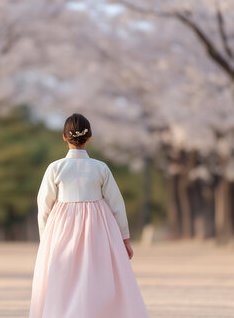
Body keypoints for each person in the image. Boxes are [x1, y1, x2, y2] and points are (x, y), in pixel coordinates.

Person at [29, 113, 149, 318]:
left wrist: (45, 238)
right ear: (89, 137)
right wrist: (124, 238)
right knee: (96, 274)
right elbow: (116, 204)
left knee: (63, 276)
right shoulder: (100, 168)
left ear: (64, 137)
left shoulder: (55, 168)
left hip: (62, 227)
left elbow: (44, 206)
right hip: (98, 228)